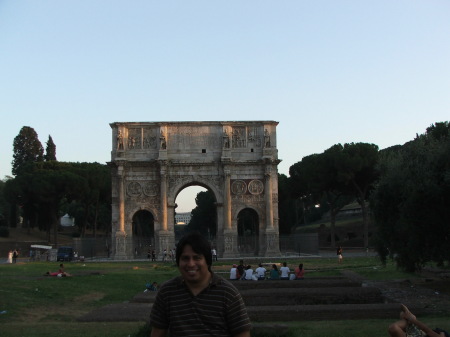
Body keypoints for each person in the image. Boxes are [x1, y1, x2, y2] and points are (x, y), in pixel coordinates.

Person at [150, 232, 251, 337]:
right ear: (178, 261)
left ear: (207, 261)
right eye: (185, 258)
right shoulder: (167, 292)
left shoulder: (228, 293)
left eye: (197, 258)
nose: (191, 264)